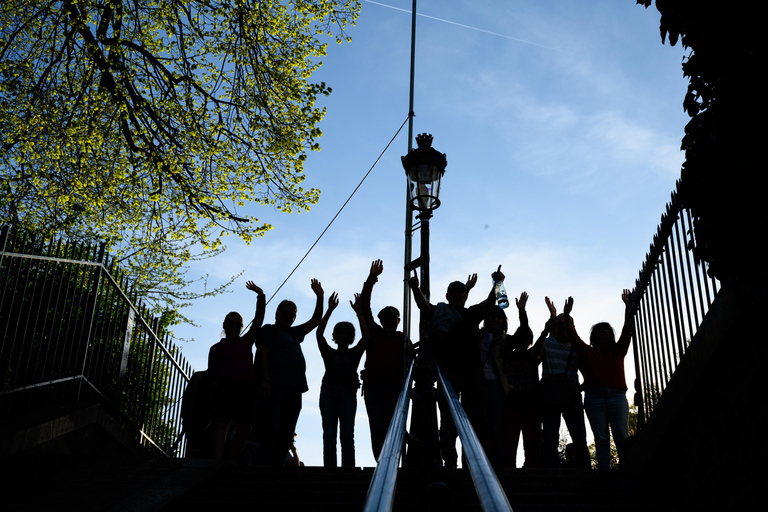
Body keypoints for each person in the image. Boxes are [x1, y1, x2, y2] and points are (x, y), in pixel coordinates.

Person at [408, 265, 504, 468]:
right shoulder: (439, 311)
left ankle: (479, 462)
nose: (458, 296)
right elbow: (423, 307)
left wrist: (497, 284)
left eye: (461, 292)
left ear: (465, 296)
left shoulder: (471, 314)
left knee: (478, 419)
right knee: (448, 421)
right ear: (448, 295)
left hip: (473, 373)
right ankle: (450, 462)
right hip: (447, 373)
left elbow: (490, 302)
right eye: (454, 292)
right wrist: (415, 289)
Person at [254, 278, 324, 466]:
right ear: (277, 314)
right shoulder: (269, 330)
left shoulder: (294, 333)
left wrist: (320, 296)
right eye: (284, 313)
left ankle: (276, 466)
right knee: (272, 428)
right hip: (277, 387)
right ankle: (266, 466)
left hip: (296, 388)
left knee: (287, 431)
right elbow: (261, 354)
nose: (288, 316)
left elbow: (316, 320)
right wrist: (266, 380)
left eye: (292, 314)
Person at [563, 291, 633, 469]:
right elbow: (573, 336)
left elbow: (628, 329)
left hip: (617, 396)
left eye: (606, 330)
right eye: (599, 330)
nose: (602, 333)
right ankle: (604, 472)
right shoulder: (588, 352)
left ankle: (626, 469)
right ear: (593, 336)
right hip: (594, 397)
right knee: (601, 438)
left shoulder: (618, 351)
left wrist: (627, 306)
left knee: (621, 437)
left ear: (611, 334)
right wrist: (567, 315)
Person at [358, 259, 412, 460]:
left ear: (398, 320)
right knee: (378, 428)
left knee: (397, 427)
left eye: (393, 317)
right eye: (386, 317)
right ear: (381, 320)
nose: (389, 319)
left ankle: (401, 462)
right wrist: (372, 278)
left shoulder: (404, 339)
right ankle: (381, 462)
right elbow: (364, 307)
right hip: (374, 388)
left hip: (396, 388)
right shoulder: (375, 333)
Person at [207, 280, 265, 464]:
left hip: (247, 388)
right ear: (224, 325)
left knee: (245, 427)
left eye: (236, 324)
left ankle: (231, 461)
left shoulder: (246, 341)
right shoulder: (216, 348)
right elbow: (211, 374)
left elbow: (258, 320)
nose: (233, 327)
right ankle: (217, 461)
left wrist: (260, 295)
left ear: (241, 327)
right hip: (226, 387)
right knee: (222, 423)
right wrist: (211, 397)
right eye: (229, 324)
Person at [478, 293, 533, 467]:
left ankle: (497, 467)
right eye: (493, 316)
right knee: (478, 427)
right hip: (476, 385)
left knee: (495, 427)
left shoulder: (504, 340)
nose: (496, 320)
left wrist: (522, 312)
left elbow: (524, 335)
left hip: (496, 385)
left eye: (499, 318)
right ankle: (476, 464)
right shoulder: (476, 336)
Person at [316, 292, 369, 467]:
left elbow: (366, 338)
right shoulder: (329, 352)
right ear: (336, 336)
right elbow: (319, 334)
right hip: (329, 393)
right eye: (341, 334)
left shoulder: (354, 353)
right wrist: (329, 311)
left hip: (347, 394)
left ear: (351, 337)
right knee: (329, 434)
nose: (344, 337)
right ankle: (330, 469)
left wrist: (359, 313)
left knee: (347, 435)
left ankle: (349, 470)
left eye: (347, 334)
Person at [539, 297, 590, 468]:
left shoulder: (577, 348)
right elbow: (532, 357)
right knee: (550, 439)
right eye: (558, 324)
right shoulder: (546, 344)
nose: (562, 327)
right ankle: (551, 474)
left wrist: (581, 387)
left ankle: (585, 473)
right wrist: (550, 321)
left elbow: (589, 374)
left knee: (579, 439)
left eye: (565, 323)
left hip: (571, 396)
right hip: (549, 396)